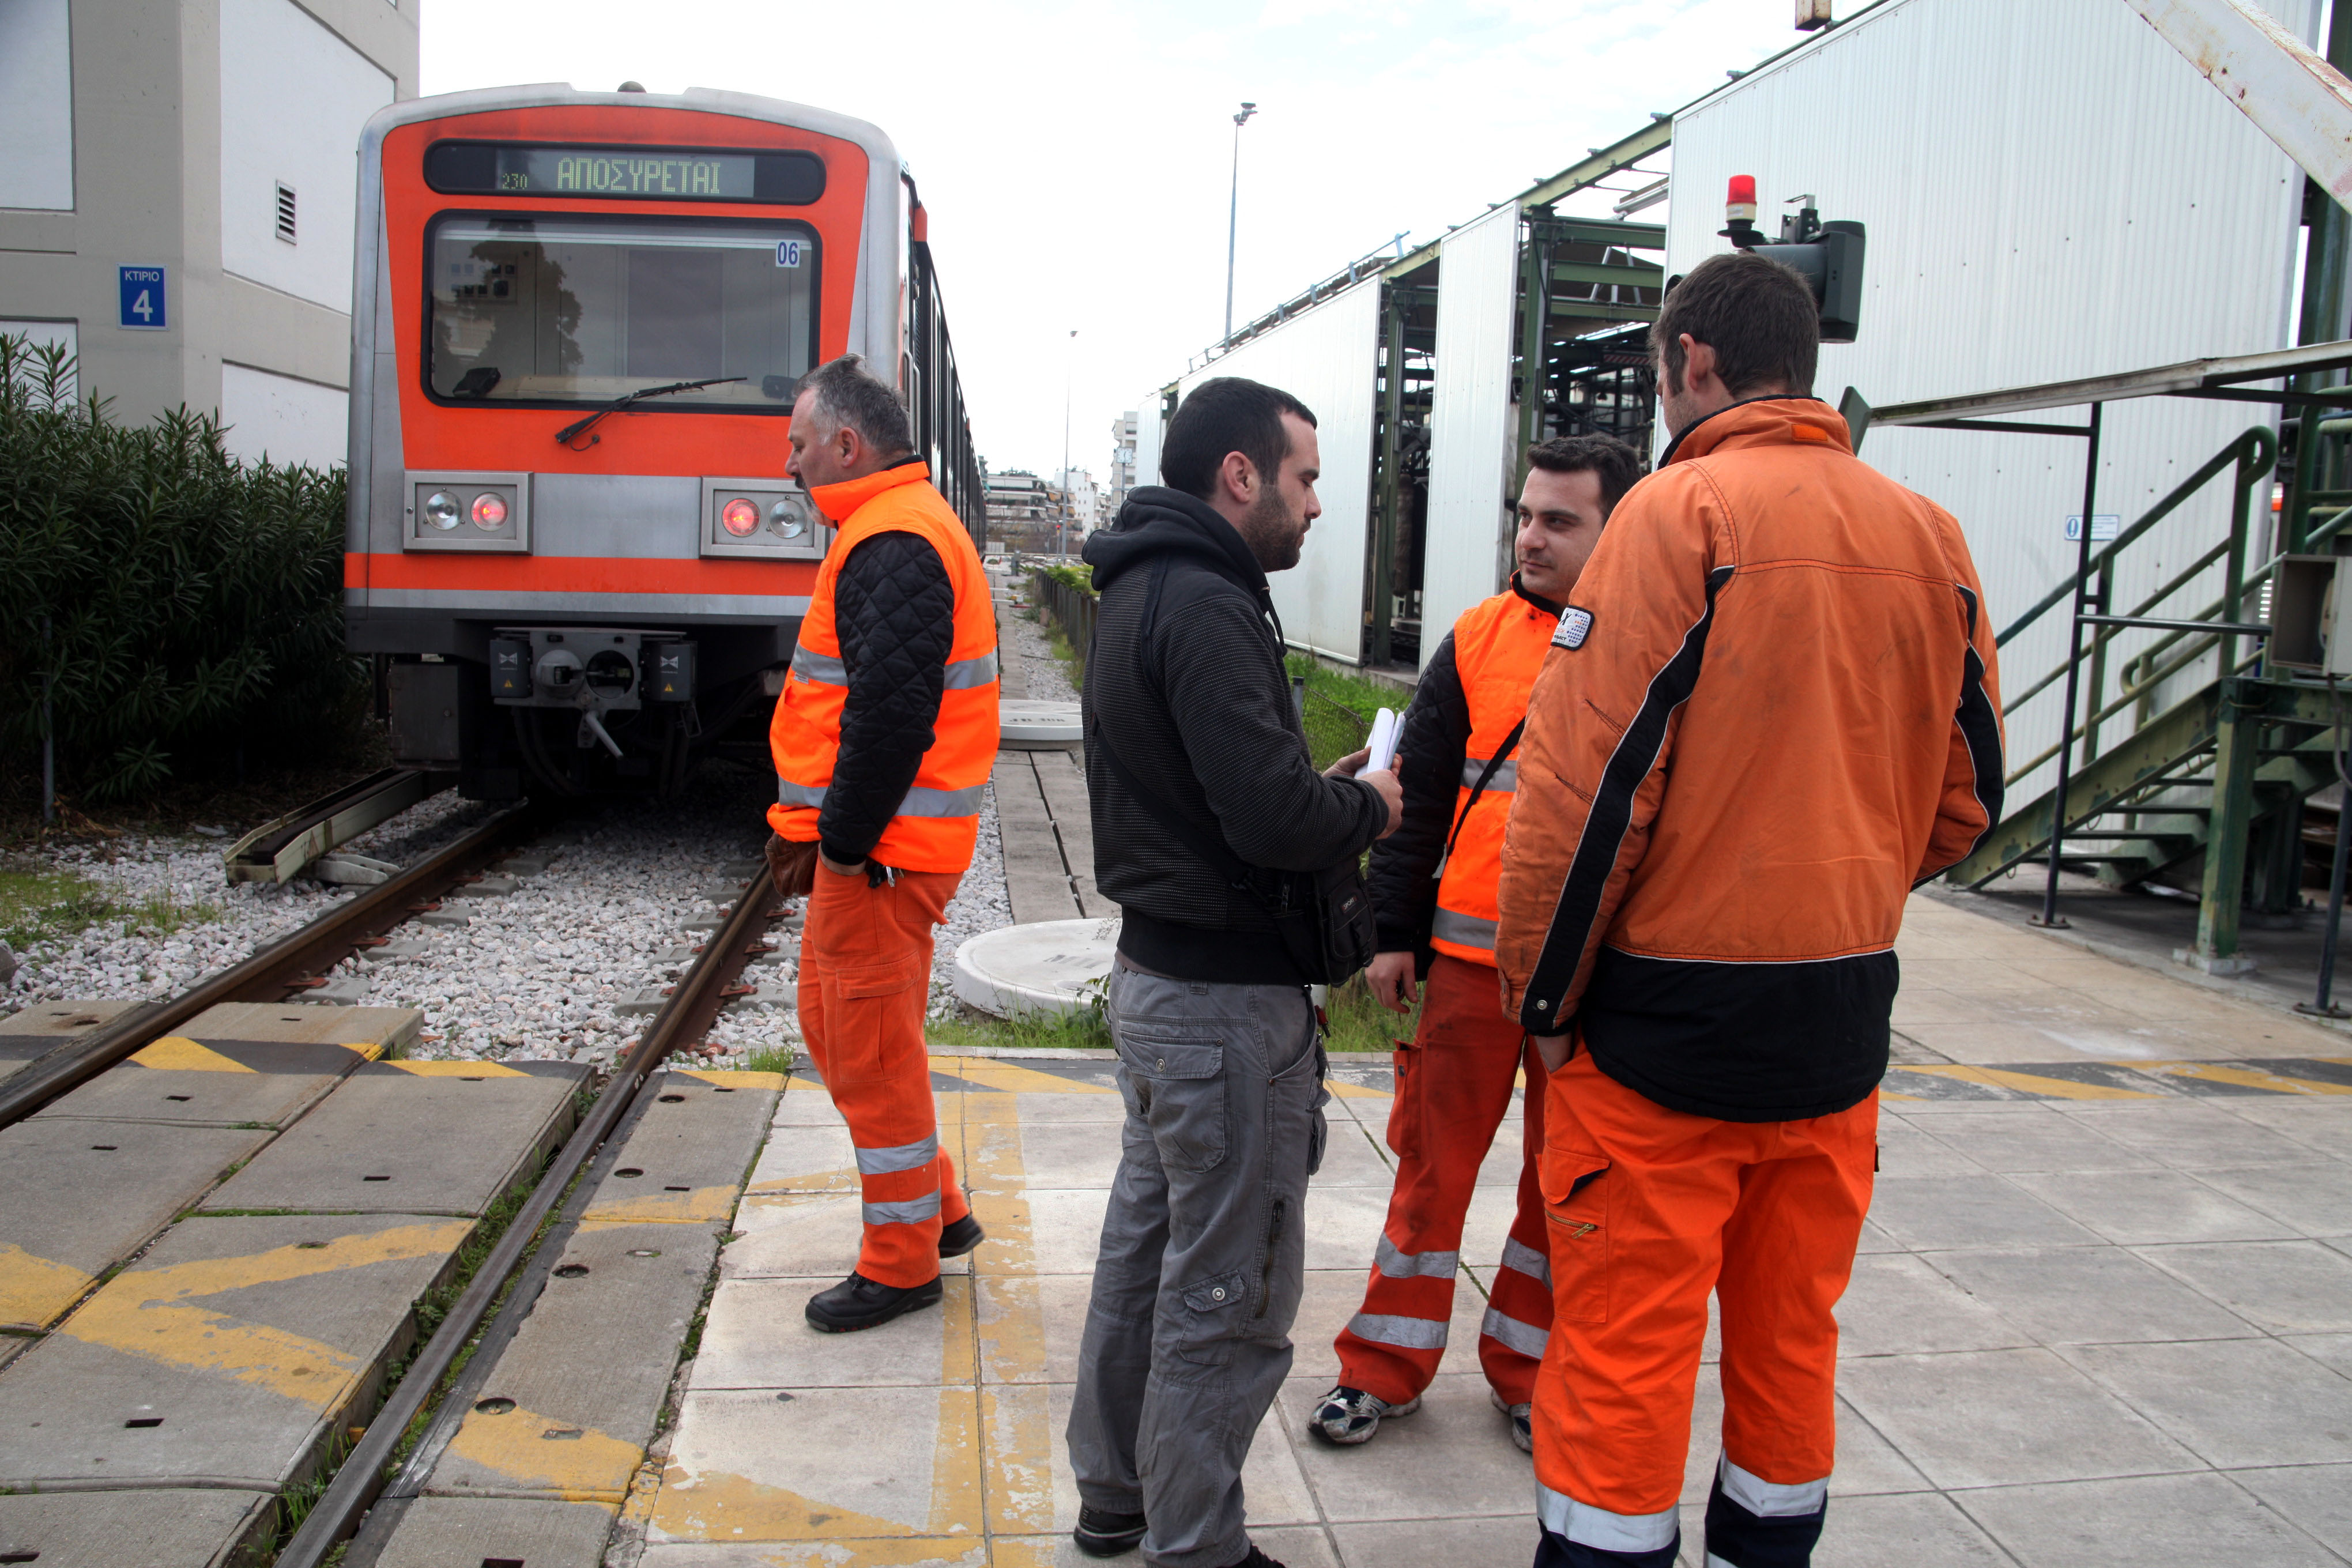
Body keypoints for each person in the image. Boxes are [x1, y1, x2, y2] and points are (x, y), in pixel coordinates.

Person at [1496, 251, 2003, 1568]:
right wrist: (1837, 871)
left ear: (1693, 365)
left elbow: (1585, 796)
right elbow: (1970, 797)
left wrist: (1540, 1003)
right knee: (1790, 1347)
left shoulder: (1680, 514)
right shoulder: (1930, 536)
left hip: (1664, 1039)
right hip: (1837, 1033)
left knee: (1625, 1362)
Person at [1065, 376, 1403, 1568]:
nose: (1317, 504)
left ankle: (1116, 1494)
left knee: (1148, 1257)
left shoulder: (1141, 585)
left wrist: (1323, 784)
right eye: (1306, 477)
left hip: (1164, 991)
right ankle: (1196, 1545)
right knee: (1232, 1290)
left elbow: (1216, 793)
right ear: (1242, 475)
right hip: (1222, 1016)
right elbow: (1267, 817)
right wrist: (1367, 802)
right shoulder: (1209, 601)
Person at [1311, 433, 1644, 1456]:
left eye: (1559, 520)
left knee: (1567, 1193)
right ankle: (1382, 1369)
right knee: (1428, 1175)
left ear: (1615, 529)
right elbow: (1411, 804)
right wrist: (1392, 934)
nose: (1530, 536)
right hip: (1464, 972)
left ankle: (1531, 1374)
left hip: (1589, 983)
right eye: (1526, 514)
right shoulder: (1474, 639)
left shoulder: (1655, 644)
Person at [765, 353, 1001, 1333]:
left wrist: (842, 847)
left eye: (798, 444)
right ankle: (938, 1212)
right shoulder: (888, 527)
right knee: (847, 1032)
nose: (788, 463)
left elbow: (890, 722)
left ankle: (901, 1262)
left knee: (865, 1049)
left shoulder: (893, 538)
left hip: (885, 854)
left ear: (847, 445)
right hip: (889, 848)